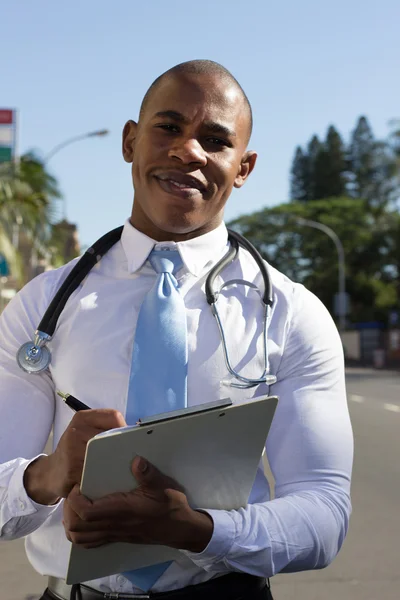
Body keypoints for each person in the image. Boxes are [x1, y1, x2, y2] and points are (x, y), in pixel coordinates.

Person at [0, 60, 353, 600]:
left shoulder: (291, 313)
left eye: (215, 140)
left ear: (244, 167)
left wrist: (201, 532)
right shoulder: (41, 306)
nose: (189, 151)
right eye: (169, 128)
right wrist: (48, 477)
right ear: (130, 141)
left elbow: (326, 513)